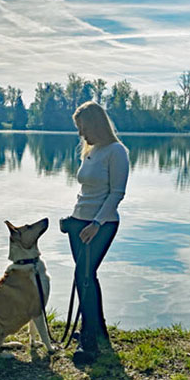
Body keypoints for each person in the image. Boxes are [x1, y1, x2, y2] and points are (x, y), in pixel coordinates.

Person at [61, 101, 129, 363]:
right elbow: (86, 192)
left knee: (84, 275)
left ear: (96, 124)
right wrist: (72, 220)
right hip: (79, 223)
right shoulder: (91, 151)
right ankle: (97, 330)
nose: (81, 134)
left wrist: (96, 224)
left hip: (102, 224)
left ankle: (89, 344)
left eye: (83, 127)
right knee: (86, 277)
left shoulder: (117, 151)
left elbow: (116, 193)